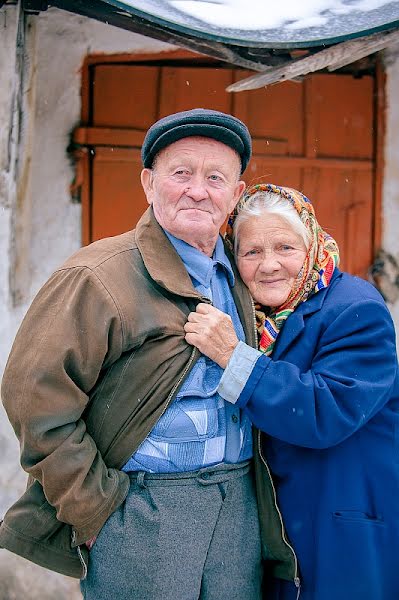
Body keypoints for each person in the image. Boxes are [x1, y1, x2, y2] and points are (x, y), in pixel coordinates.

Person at [0, 110, 298, 600]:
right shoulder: (97, 276)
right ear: (148, 183)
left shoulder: (243, 276)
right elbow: (35, 398)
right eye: (181, 173)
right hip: (142, 510)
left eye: (215, 177)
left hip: (238, 508)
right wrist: (96, 510)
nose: (198, 190)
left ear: (236, 194)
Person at [184, 183, 399, 600]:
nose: (269, 266)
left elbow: (325, 411)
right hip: (283, 525)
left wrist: (234, 358)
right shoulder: (254, 318)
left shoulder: (356, 309)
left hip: (340, 521)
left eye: (285, 247)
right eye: (251, 252)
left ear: (313, 244)